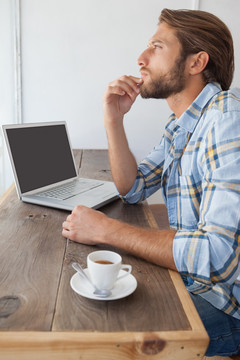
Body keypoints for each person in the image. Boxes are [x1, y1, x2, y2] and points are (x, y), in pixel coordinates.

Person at [62, 8, 240, 357]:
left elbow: (216, 257)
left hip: (226, 305)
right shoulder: (182, 125)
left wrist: (106, 231)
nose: (141, 59)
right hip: (192, 280)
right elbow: (133, 187)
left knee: (105, 336)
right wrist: (113, 119)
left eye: (156, 47)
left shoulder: (225, 122)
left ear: (196, 62)